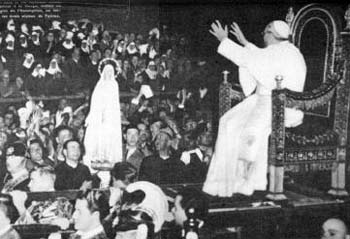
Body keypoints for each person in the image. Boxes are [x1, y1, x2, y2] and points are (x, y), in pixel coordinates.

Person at [203, 20, 306, 196]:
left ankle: (249, 184)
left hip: (282, 105)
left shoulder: (286, 53)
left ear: (272, 34)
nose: (263, 36)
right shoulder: (281, 50)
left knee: (249, 131)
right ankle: (225, 183)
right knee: (228, 122)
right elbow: (258, 58)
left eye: (265, 33)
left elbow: (252, 59)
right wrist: (244, 42)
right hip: (266, 101)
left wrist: (224, 41)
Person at [83, 63, 123, 172]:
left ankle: (109, 157)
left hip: (110, 117)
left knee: (108, 137)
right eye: (107, 71)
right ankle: (97, 157)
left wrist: (110, 115)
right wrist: (90, 116)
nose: (109, 74)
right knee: (98, 137)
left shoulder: (114, 85)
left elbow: (115, 103)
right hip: (98, 116)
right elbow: (94, 103)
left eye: (111, 72)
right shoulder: (99, 86)